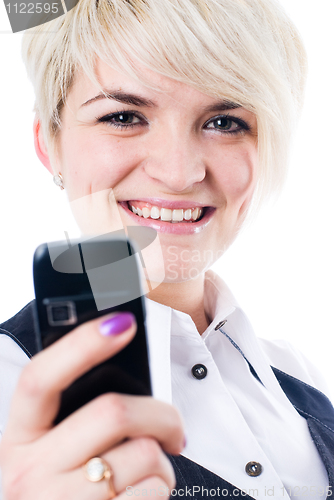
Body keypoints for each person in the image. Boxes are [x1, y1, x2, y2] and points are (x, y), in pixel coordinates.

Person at [0, 0, 334, 499]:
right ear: (49, 143)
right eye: (124, 116)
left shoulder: (298, 375)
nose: (180, 173)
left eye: (225, 122)